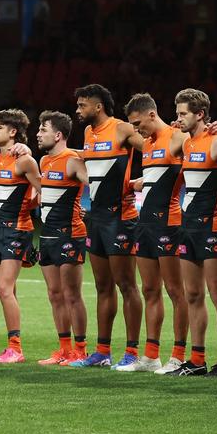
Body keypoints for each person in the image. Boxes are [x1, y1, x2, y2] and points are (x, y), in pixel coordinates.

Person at [70, 83, 146, 369]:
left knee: (126, 285)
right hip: (97, 218)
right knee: (102, 286)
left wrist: (142, 180)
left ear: (98, 106)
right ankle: (102, 352)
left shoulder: (122, 129)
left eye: (82, 105)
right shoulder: (89, 134)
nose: (78, 111)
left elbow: (153, 149)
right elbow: (92, 159)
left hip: (121, 219)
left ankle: (132, 352)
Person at [169, 89, 217, 377]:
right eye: (177, 113)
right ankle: (197, 360)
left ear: (200, 114)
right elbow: (171, 150)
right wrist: (175, 130)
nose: (178, 118)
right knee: (193, 294)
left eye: (183, 113)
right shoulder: (186, 144)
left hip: (213, 227)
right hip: (189, 228)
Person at [124, 93, 189, 374]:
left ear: (152, 114)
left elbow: (205, 157)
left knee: (176, 291)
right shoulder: (148, 144)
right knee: (150, 289)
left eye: (139, 124)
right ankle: (151, 357)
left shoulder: (177, 137)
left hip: (169, 224)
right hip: (145, 224)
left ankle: (178, 355)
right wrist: (142, 182)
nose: (137, 130)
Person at [0, 109, 42, 364]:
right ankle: (12, 347)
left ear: (13, 131)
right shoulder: (0, 159)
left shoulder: (24, 160)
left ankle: (16, 349)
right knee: (7, 289)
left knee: (4, 287)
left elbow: (45, 190)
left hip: (16, 229)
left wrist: (32, 207)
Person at [35, 110, 90, 365]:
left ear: (58, 135)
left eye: (43, 130)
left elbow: (92, 181)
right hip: (46, 235)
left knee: (71, 294)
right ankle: (64, 350)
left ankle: (80, 350)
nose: (38, 134)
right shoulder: (44, 162)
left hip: (70, 234)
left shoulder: (72, 159)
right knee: (54, 294)